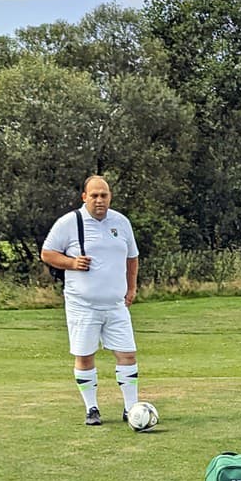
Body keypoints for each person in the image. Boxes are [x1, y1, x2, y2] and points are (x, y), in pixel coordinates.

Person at [41, 175, 142, 427]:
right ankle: (92, 408)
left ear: (110, 197)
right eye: (94, 195)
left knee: (127, 354)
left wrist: (132, 287)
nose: (99, 200)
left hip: (116, 304)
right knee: (85, 355)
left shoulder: (121, 222)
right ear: (84, 197)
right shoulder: (70, 222)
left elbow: (132, 257)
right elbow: (47, 253)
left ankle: (132, 409)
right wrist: (72, 263)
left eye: (104, 195)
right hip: (82, 304)